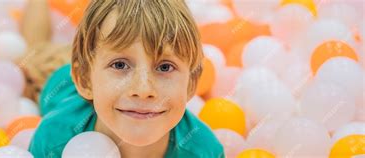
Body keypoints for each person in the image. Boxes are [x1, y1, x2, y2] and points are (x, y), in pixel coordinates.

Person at [29, 0, 224, 157]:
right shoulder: (54, 140)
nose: (143, 89)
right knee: (36, 56)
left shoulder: (205, 151)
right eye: (120, 65)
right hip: (64, 87)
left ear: (191, 84)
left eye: (165, 67)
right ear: (84, 79)